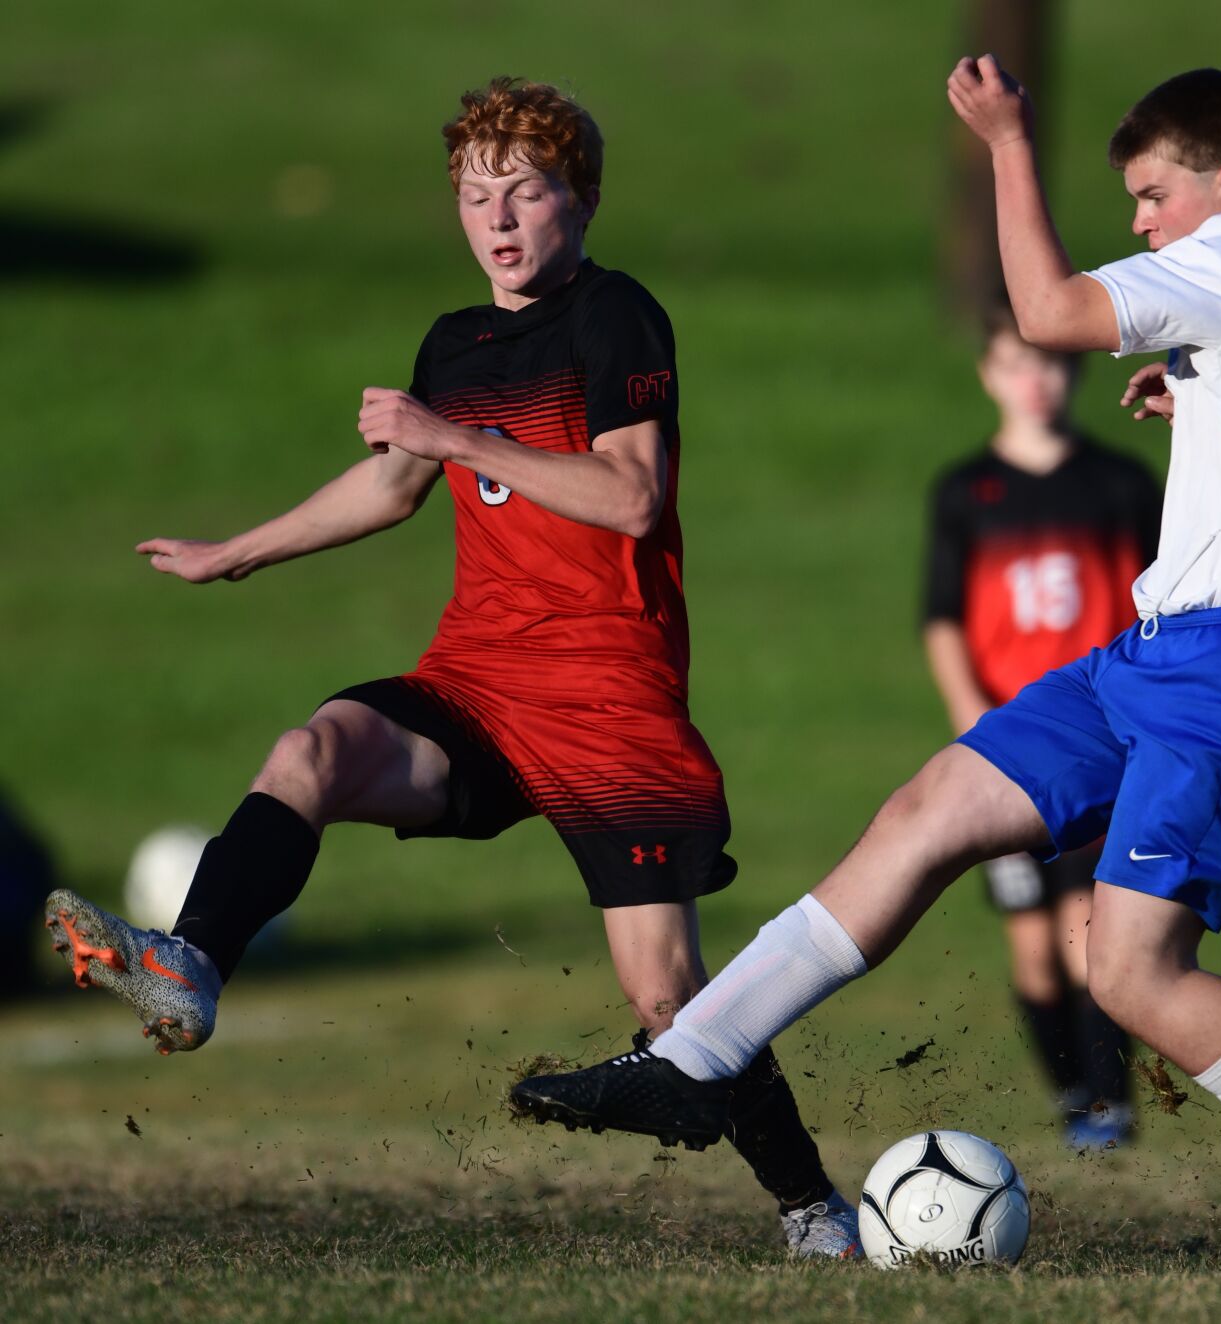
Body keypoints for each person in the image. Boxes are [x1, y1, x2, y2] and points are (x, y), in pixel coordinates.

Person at [512, 61, 1221, 1269]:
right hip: (1163, 648)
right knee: (926, 810)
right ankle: (691, 1064)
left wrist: (1005, 144)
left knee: (1128, 971)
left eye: (1149, 196)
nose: (1136, 222)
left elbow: (1049, 312)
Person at [43, 76, 859, 1259]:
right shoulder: (455, 342)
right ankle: (194, 965)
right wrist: (238, 552)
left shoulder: (615, 315)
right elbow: (390, 482)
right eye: (477, 195)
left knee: (668, 1006)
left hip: (607, 703)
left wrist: (458, 438)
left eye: (525, 192)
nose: (499, 219)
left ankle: (811, 1211)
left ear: (578, 201)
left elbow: (632, 499)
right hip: (475, 683)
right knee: (309, 751)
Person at [923, 308, 1161, 1147]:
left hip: (1103, 738)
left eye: (1054, 364)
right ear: (987, 373)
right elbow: (944, 620)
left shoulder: (1122, 484)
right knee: (1030, 950)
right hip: (1013, 746)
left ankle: (1111, 1103)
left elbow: (1163, 600)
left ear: (1078, 374)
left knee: (1080, 938)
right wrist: (972, 721)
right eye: (1017, 362)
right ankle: (1071, 1098)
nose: (1036, 380)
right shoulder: (964, 491)